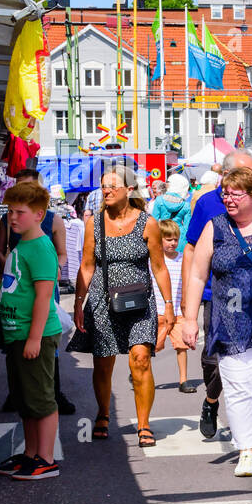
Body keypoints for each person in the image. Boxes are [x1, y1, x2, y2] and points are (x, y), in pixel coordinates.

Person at [183, 167, 252, 477]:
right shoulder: (215, 227)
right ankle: (245, 449)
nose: (227, 199)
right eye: (224, 193)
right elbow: (197, 273)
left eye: (234, 194)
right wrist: (188, 319)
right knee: (238, 386)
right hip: (229, 320)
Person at [72, 164, 175, 448]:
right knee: (103, 364)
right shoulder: (95, 222)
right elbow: (87, 265)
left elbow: (159, 267)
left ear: (129, 190)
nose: (106, 190)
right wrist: (79, 303)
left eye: (112, 186)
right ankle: (103, 414)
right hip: (104, 302)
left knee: (140, 359)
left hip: (140, 302)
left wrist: (169, 307)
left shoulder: (148, 223)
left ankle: (143, 424)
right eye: (103, 186)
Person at [180, 150, 252, 439]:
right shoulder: (207, 203)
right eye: (246, 173)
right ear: (226, 175)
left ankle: (246, 427)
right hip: (217, 292)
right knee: (215, 358)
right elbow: (190, 249)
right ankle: (211, 401)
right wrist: (188, 301)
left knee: (249, 357)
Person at [0, 181, 63, 480]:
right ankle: (31, 453)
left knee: (41, 398)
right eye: (10, 211)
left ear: (39, 215)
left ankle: (46, 458)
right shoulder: (22, 243)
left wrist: (35, 337)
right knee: (25, 399)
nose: (12, 217)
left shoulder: (39, 247)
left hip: (33, 334)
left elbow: (43, 296)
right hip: (16, 332)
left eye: (19, 212)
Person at [152, 219, 192, 392]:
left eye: (175, 239)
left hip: (178, 312)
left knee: (181, 346)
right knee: (153, 347)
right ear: (159, 239)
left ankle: (183, 380)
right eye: (168, 239)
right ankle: (140, 371)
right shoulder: (154, 260)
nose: (173, 243)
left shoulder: (183, 259)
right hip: (158, 310)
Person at [150, 173, 193, 248]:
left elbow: (154, 222)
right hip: (179, 237)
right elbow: (187, 227)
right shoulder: (186, 205)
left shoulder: (159, 200)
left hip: (163, 234)